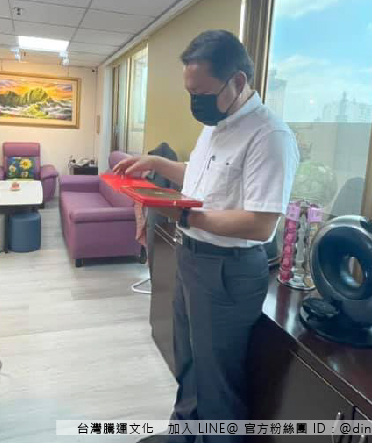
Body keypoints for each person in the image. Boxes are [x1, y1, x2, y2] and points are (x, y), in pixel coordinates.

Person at [114, 30, 299, 442]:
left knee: (217, 379)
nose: (194, 101)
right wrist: (156, 162)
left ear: (237, 81)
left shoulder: (269, 136)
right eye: (190, 92)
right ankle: (184, 434)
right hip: (193, 257)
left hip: (228, 271)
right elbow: (200, 178)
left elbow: (260, 223)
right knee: (188, 361)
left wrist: (185, 217)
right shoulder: (216, 124)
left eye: (201, 92)